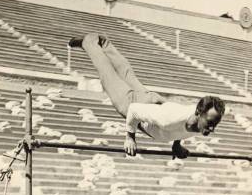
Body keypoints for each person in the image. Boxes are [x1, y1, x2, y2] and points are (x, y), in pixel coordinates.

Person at [69, 33, 225, 157]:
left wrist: (176, 146)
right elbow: (134, 110)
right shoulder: (169, 119)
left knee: (126, 73)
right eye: (210, 122)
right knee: (107, 73)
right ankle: (89, 41)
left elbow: (183, 128)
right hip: (135, 105)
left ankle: (103, 42)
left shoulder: (197, 122)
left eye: (215, 124)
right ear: (198, 113)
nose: (212, 128)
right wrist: (130, 138)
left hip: (153, 103)